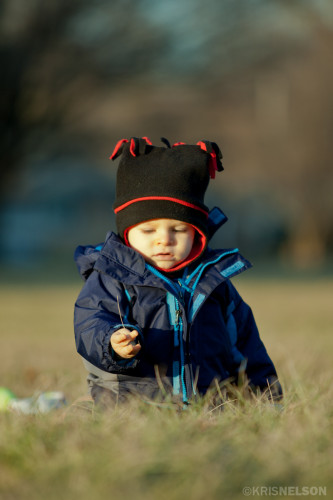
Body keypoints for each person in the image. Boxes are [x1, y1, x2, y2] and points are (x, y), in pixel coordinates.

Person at [74, 136, 282, 408]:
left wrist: (267, 401)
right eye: (149, 230)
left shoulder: (214, 283)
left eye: (179, 229)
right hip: (132, 410)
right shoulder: (113, 278)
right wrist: (112, 342)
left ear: (197, 233)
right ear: (127, 234)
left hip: (211, 410)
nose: (164, 240)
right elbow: (90, 321)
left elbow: (246, 348)